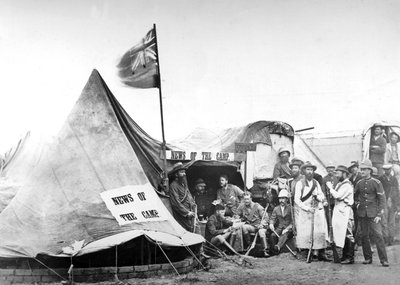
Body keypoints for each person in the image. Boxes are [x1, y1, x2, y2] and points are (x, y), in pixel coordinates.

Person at [354, 159, 389, 267]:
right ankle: (367, 258)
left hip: (374, 214)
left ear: (369, 170)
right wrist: (357, 204)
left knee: (378, 235)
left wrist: (379, 214)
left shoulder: (376, 183)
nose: (362, 171)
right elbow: (355, 196)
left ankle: (384, 260)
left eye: (364, 169)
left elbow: (382, 200)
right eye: (361, 169)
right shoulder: (359, 183)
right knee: (364, 236)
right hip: (362, 214)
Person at [294, 161, 330, 261]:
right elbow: (297, 200)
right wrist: (307, 208)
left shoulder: (316, 182)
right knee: (306, 232)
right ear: (304, 171)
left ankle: (321, 252)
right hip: (305, 211)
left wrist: (322, 199)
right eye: (308, 170)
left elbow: (320, 194)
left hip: (316, 210)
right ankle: (307, 253)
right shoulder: (299, 183)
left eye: (311, 170)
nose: (310, 172)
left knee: (319, 231)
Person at [326, 165, 355, 264]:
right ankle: (344, 256)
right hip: (340, 210)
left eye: (338, 173)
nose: (337, 176)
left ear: (344, 173)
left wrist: (330, 188)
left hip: (346, 211)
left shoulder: (347, 185)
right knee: (342, 233)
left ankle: (350, 257)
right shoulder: (340, 184)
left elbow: (338, 196)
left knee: (348, 234)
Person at [237, 192, 270, 257]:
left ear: (251, 199)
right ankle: (250, 245)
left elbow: (266, 218)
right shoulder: (242, 206)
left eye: (248, 199)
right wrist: (237, 218)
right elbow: (237, 214)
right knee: (244, 227)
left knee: (261, 232)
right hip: (251, 226)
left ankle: (265, 250)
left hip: (260, 226)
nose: (246, 201)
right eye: (245, 199)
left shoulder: (257, 206)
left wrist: (262, 224)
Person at [168, 163, 197, 232]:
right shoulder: (173, 186)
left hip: (190, 212)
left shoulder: (184, 184)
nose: (184, 174)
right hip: (182, 215)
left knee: (194, 230)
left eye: (184, 172)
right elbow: (176, 203)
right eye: (181, 172)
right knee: (186, 231)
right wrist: (187, 213)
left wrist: (193, 206)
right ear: (176, 175)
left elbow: (189, 196)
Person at [378, 164, 400, 245]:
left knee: (392, 222)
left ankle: (391, 239)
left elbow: (397, 192)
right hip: (384, 203)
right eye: (385, 169)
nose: (387, 171)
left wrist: (397, 205)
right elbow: (379, 191)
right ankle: (385, 239)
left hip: (393, 203)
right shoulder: (381, 179)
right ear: (384, 170)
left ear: (391, 170)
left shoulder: (394, 179)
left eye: (388, 169)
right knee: (384, 222)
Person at [269, 189, 294, 255]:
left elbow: (293, 221)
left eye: (283, 198)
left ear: (287, 199)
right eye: (280, 198)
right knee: (272, 236)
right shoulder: (276, 208)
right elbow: (272, 218)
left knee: (284, 235)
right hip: (279, 228)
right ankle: (274, 252)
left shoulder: (291, 208)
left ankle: (278, 247)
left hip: (289, 229)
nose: (281, 200)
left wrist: (287, 229)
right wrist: (271, 224)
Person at [322, 162, 338, 229]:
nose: (330, 170)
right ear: (326, 170)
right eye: (329, 168)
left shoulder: (337, 178)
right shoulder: (324, 179)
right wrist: (325, 200)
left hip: (336, 202)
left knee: (336, 218)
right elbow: (323, 190)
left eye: (332, 168)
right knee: (329, 217)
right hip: (328, 202)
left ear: (334, 169)